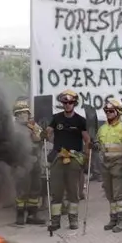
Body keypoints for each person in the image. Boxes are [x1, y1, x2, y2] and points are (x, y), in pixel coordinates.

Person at [46, 90, 89, 231]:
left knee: (73, 191)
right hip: (58, 157)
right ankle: (55, 221)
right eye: (65, 102)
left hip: (74, 158)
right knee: (56, 192)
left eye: (70, 102)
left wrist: (87, 156)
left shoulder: (80, 121)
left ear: (74, 104)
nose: (67, 104)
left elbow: (87, 140)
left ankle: (73, 220)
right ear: (62, 104)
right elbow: (48, 133)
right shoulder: (56, 118)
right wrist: (44, 134)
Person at [96, 98, 122, 233]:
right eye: (106, 111)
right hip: (105, 164)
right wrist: (94, 145)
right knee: (110, 194)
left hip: (118, 163)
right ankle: (113, 219)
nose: (108, 113)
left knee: (118, 195)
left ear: (118, 112)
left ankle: (121, 221)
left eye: (111, 111)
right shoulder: (102, 129)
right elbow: (99, 145)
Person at [12, 100, 47, 226]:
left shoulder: (33, 125)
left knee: (35, 188)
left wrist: (42, 134)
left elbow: (40, 138)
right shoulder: (13, 129)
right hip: (22, 163)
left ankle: (33, 214)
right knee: (22, 189)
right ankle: (20, 215)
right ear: (16, 115)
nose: (24, 115)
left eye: (26, 113)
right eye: (21, 113)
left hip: (35, 161)